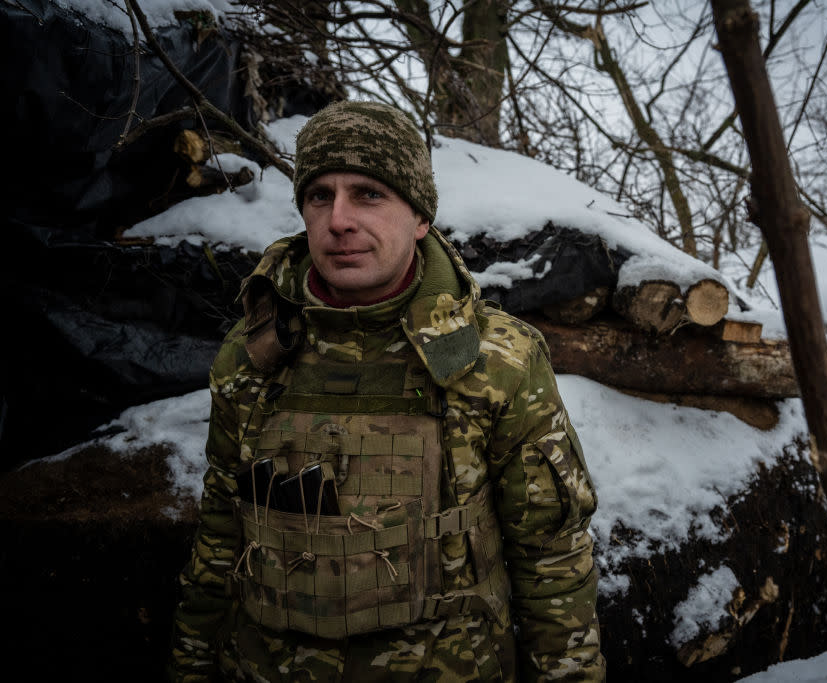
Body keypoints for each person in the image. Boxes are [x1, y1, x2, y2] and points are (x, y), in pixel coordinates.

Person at [169, 100, 605, 682]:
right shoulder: (252, 356)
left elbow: (551, 559)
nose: (339, 220)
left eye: (369, 194)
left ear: (420, 217)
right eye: (319, 195)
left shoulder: (498, 361)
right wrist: (190, 667)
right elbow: (222, 534)